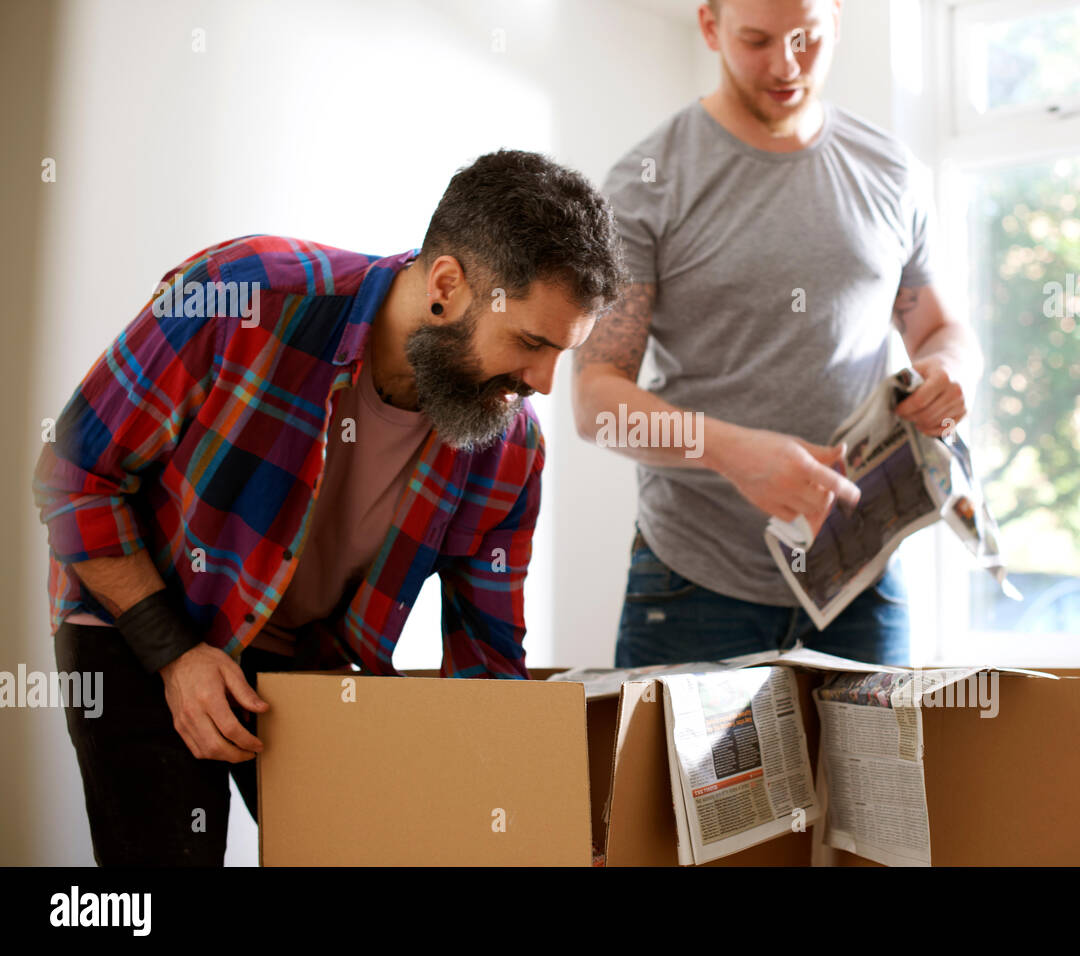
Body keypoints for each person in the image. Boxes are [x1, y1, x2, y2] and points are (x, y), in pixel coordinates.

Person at [32, 149, 626, 865]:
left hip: (305, 661)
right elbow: (73, 476)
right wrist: (176, 654)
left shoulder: (508, 447)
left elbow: (487, 658)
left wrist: (522, 824)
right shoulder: (242, 295)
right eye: (530, 342)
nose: (543, 382)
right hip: (138, 621)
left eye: (563, 351)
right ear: (447, 284)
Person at [572, 0, 981, 668]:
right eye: (756, 40)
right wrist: (730, 451)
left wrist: (955, 368)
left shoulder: (892, 169)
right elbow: (595, 403)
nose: (785, 65)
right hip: (692, 581)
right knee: (668, 781)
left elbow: (938, 328)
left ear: (836, 22)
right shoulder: (646, 182)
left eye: (806, 39)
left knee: (876, 779)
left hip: (863, 577)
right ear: (710, 27)